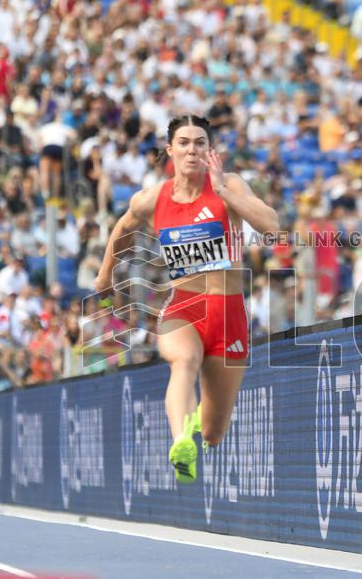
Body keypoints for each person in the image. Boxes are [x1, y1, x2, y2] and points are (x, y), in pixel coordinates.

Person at [95, 115, 280, 484]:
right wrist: (105, 273)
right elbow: (124, 226)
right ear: (170, 150)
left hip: (228, 315)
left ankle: (195, 429)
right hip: (184, 304)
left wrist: (225, 194)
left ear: (209, 151)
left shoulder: (229, 184)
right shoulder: (152, 198)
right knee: (185, 360)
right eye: (183, 142)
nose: (191, 149)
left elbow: (272, 228)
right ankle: (180, 439)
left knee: (213, 432)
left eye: (199, 143)